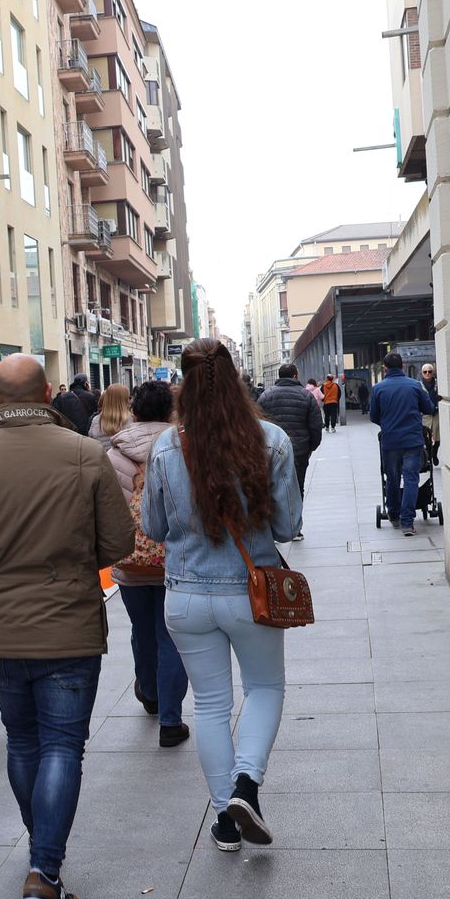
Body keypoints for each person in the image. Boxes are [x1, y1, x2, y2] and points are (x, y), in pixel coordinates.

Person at [0, 354, 135, 899]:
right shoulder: (85, 453)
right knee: (63, 746)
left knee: (22, 741)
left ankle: (41, 850)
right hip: (68, 622)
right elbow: (118, 542)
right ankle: (45, 870)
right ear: (48, 394)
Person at [145, 338, 301, 854]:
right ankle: (246, 787)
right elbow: (288, 526)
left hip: (186, 596)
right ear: (235, 380)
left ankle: (226, 822)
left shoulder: (165, 447)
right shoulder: (271, 441)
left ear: (183, 386)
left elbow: (153, 526)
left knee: (210, 705)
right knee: (265, 688)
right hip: (250, 593)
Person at [106, 381, 189, 746]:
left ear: (134, 411)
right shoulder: (181, 446)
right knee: (170, 634)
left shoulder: (113, 454)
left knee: (142, 630)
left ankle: (151, 694)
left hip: (131, 559)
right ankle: (171, 720)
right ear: (171, 411)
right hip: (176, 557)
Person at [368, 351, 438, 536]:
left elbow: (373, 416)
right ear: (402, 367)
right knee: (411, 479)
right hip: (412, 441)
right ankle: (408, 523)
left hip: (390, 441)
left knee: (392, 478)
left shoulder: (378, 389)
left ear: (385, 369)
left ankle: (393, 514)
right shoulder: (415, 385)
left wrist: (387, 424)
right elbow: (428, 408)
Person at [258, 363, 322, 540]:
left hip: (270, 450)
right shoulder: (306, 396)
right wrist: (312, 447)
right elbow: (315, 425)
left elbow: (258, 422)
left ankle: (271, 527)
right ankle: (294, 528)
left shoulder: (266, 396)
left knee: (269, 486)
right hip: (299, 449)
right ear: (295, 376)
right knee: (297, 486)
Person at [86, 382, 131, 449]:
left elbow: (91, 443)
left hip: (101, 455)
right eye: (128, 398)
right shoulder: (131, 420)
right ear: (123, 400)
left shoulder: (96, 420)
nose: (130, 401)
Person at [419, 363, 441, 464]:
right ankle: (428, 456)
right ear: (422, 373)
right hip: (425, 415)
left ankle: (434, 454)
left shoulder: (438, 384)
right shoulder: (419, 385)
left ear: (433, 373)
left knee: (437, 437)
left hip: (436, 414)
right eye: (425, 372)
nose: (427, 373)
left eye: (429, 371)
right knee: (426, 437)